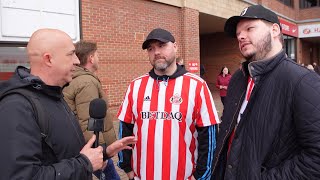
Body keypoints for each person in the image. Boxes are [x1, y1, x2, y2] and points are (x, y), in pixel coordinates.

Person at [0, 28, 137, 179]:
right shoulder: (17, 107)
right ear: (49, 59)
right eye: (71, 54)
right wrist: (85, 163)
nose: (77, 61)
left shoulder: (54, 95)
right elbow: (21, 176)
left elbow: (62, 152)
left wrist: (103, 153)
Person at [211, 5, 320, 180]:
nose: (241, 36)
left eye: (249, 28)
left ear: (275, 30)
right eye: (238, 33)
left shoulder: (303, 81)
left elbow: (316, 158)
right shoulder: (238, 79)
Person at [117, 28, 220, 180]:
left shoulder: (197, 85)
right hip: (142, 175)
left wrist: (201, 176)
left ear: (175, 47)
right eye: (151, 48)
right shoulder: (136, 86)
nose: (156, 52)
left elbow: (209, 137)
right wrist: (127, 167)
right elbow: (125, 130)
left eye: (162, 45)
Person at [63, 41, 119, 179]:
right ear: (91, 58)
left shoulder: (78, 78)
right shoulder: (86, 82)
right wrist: (101, 154)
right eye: (97, 55)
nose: (99, 58)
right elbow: (89, 122)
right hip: (95, 149)